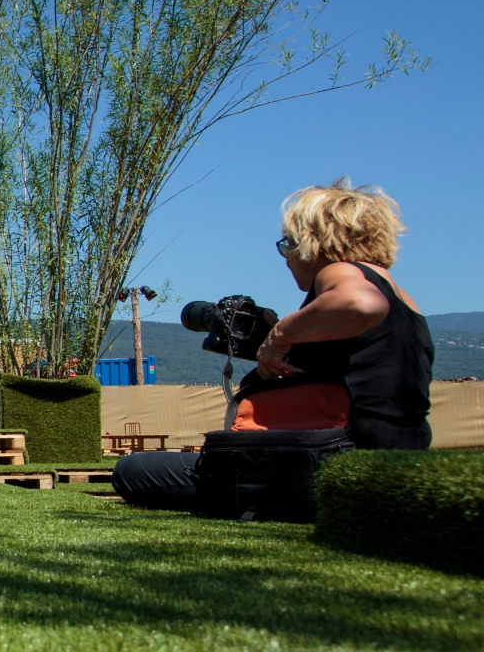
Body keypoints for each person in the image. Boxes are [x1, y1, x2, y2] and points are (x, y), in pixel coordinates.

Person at [117, 181, 433, 508]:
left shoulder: (340, 271)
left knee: (135, 470)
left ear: (314, 242)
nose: (286, 259)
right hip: (396, 463)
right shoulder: (404, 300)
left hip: (336, 466)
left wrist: (281, 335)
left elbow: (362, 303)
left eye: (288, 245)